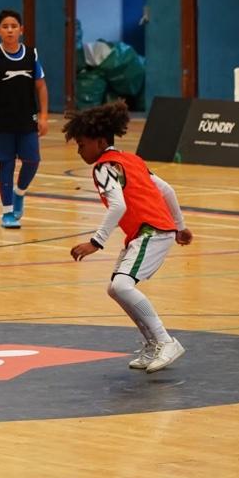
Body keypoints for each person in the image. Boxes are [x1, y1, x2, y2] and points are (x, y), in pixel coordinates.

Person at [63, 100, 192, 374]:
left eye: (82, 144)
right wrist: (180, 226)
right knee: (115, 288)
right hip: (152, 231)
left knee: (122, 287)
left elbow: (118, 205)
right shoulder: (131, 160)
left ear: (99, 142)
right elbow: (167, 190)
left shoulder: (103, 168)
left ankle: (165, 341)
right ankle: (151, 344)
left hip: (152, 231)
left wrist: (96, 242)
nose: (79, 150)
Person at [0, 9, 48, 229]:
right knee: (5, 165)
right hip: (1, 122)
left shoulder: (31, 55)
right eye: (5, 26)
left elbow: (41, 86)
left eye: (13, 26)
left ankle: (20, 192)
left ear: (21, 30)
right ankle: (7, 212)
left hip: (27, 119)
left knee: (33, 160)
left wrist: (44, 116)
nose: (9, 30)